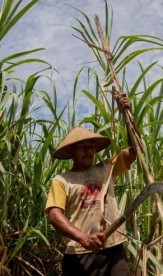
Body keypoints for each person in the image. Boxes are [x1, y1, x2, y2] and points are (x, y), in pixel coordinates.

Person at [45, 94, 136, 275]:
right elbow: (55, 215)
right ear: (71, 151)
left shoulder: (107, 169)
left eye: (92, 146)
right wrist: (83, 238)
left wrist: (128, 117)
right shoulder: (62, 180)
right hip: (80, 254)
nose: (89, 150)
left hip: (114, 249)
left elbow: (135, 150)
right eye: (82, 147)